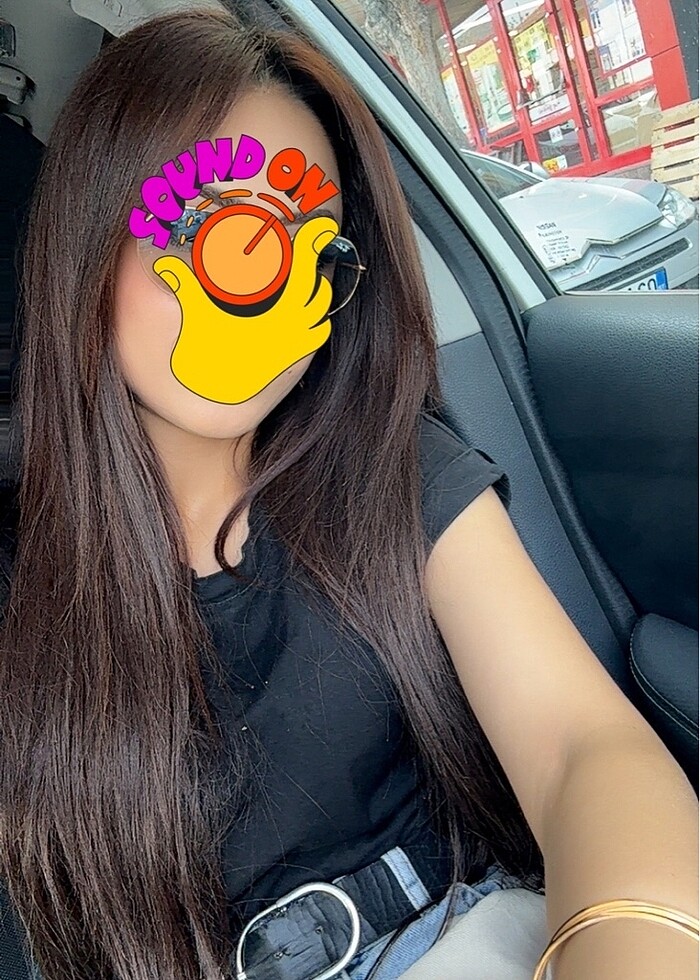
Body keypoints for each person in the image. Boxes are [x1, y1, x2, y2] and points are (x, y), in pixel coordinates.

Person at [0, 9, 696, 980]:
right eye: (235, 237)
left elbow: (578, 744)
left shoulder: (387, 466)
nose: (277, 298)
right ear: (91, 236)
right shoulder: (24, 579)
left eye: (319, 255)